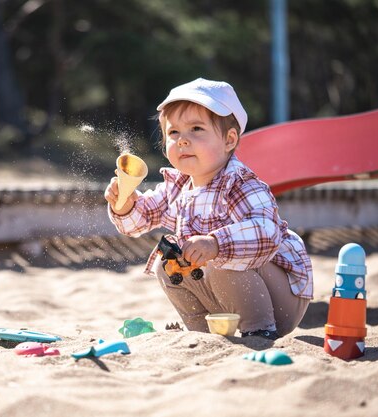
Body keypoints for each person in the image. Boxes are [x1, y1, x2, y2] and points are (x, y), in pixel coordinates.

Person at [104, 78, 313, 340]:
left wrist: (216, 243)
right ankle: (202, 333)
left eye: (196, 129)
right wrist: (124, 204)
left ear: (229, 140)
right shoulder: (178, 186)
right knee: (165, 263)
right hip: (226, 291)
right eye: (173, 133)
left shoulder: (239, 183)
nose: (182, 141)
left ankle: (260, 331)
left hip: (279, 298)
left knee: (222, 259)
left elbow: (266, 233)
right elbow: (139, 221)